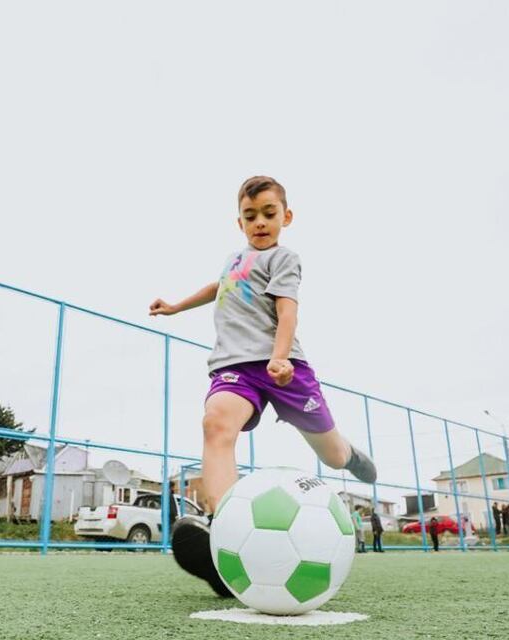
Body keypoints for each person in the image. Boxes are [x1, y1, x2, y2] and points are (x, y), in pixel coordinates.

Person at [151, 176, 378, 596]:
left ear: (286, 217)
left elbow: (287, 311)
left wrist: (279, 354)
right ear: (239, 222)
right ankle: (223, 537)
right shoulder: (234, 259)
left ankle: (351, 454)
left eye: (269, 214)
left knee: (330, 455)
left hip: (284, 365)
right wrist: (177, 306)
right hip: (235, 366)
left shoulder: (284, 258)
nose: (260, 222)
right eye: (250, 216)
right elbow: (219, 288)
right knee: (216, 424)